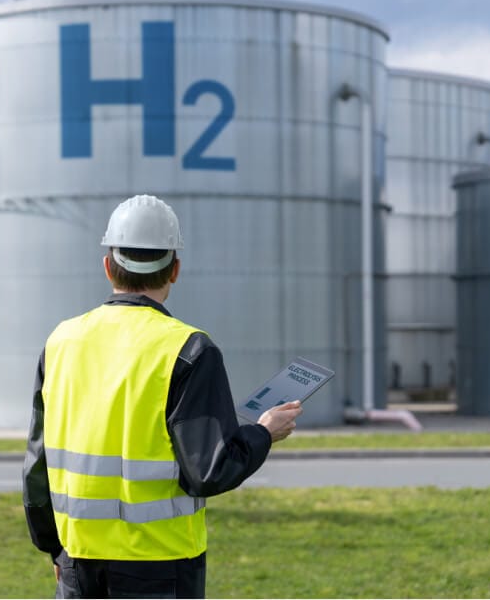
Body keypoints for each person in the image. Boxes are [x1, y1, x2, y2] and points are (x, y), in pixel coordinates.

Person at [22, 194, 303, 599]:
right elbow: (211, 470)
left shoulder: (60, 341)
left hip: (76, 561)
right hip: (161, 566)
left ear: (107, 266)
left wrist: (54, 548)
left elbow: (38, 462)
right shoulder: (189, 350)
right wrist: (263, 433)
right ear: (175, 270)